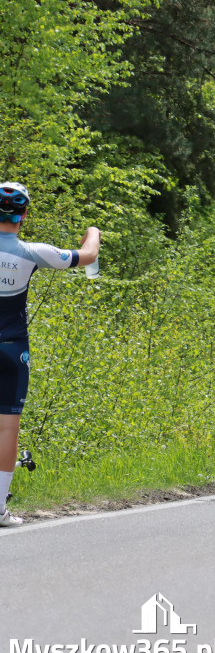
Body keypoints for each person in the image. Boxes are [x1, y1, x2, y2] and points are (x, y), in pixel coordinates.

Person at [0, 182, 101, 527]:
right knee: (6, 429)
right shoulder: (31, 252)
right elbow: (86, 257)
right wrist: (93, 231)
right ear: (24, 215)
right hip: (13, 348)